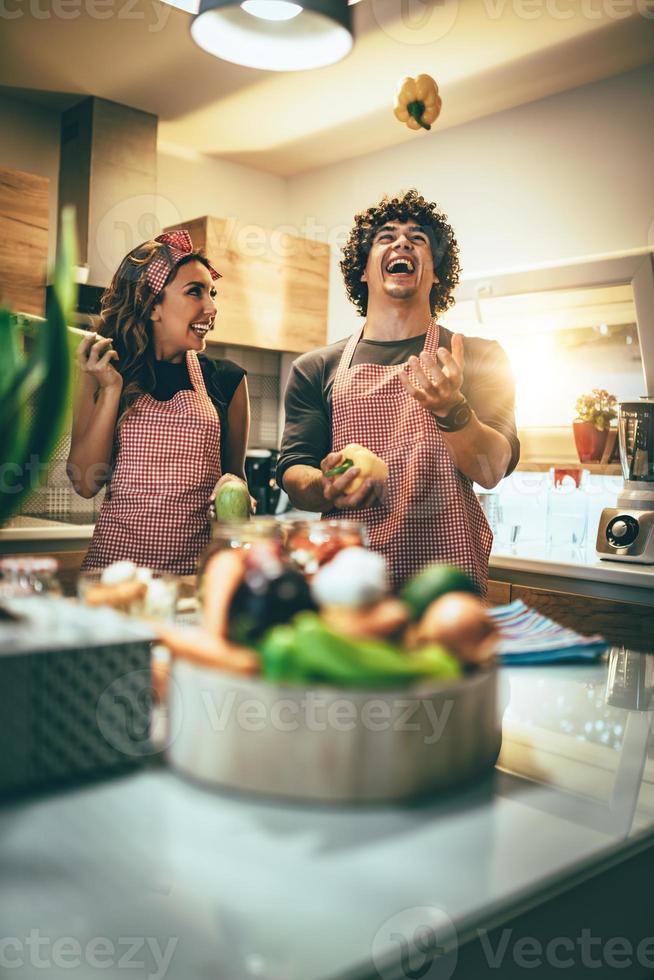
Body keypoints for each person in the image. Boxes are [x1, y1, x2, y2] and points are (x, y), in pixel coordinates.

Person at [277, 190, 520, 594]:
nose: (402, 243)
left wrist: (452, 410)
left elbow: (492, 469)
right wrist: (327, 486)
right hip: (346, 585)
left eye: (418, 239)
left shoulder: (479, 357)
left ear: (437, 272)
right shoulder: (315, 367)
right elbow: (294, 472)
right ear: (364, 271)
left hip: (445, 587)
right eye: (386, 237)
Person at [68, 230, 251, 575]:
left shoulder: (229, 381)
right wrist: (110, 390)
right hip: (113, 577)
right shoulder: (102, 370)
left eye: (211, 293)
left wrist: (236, 492)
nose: (211, 308)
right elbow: (84, 483)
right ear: (153, 305)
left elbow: (236, 482)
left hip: (193, 581)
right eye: (194, 292)